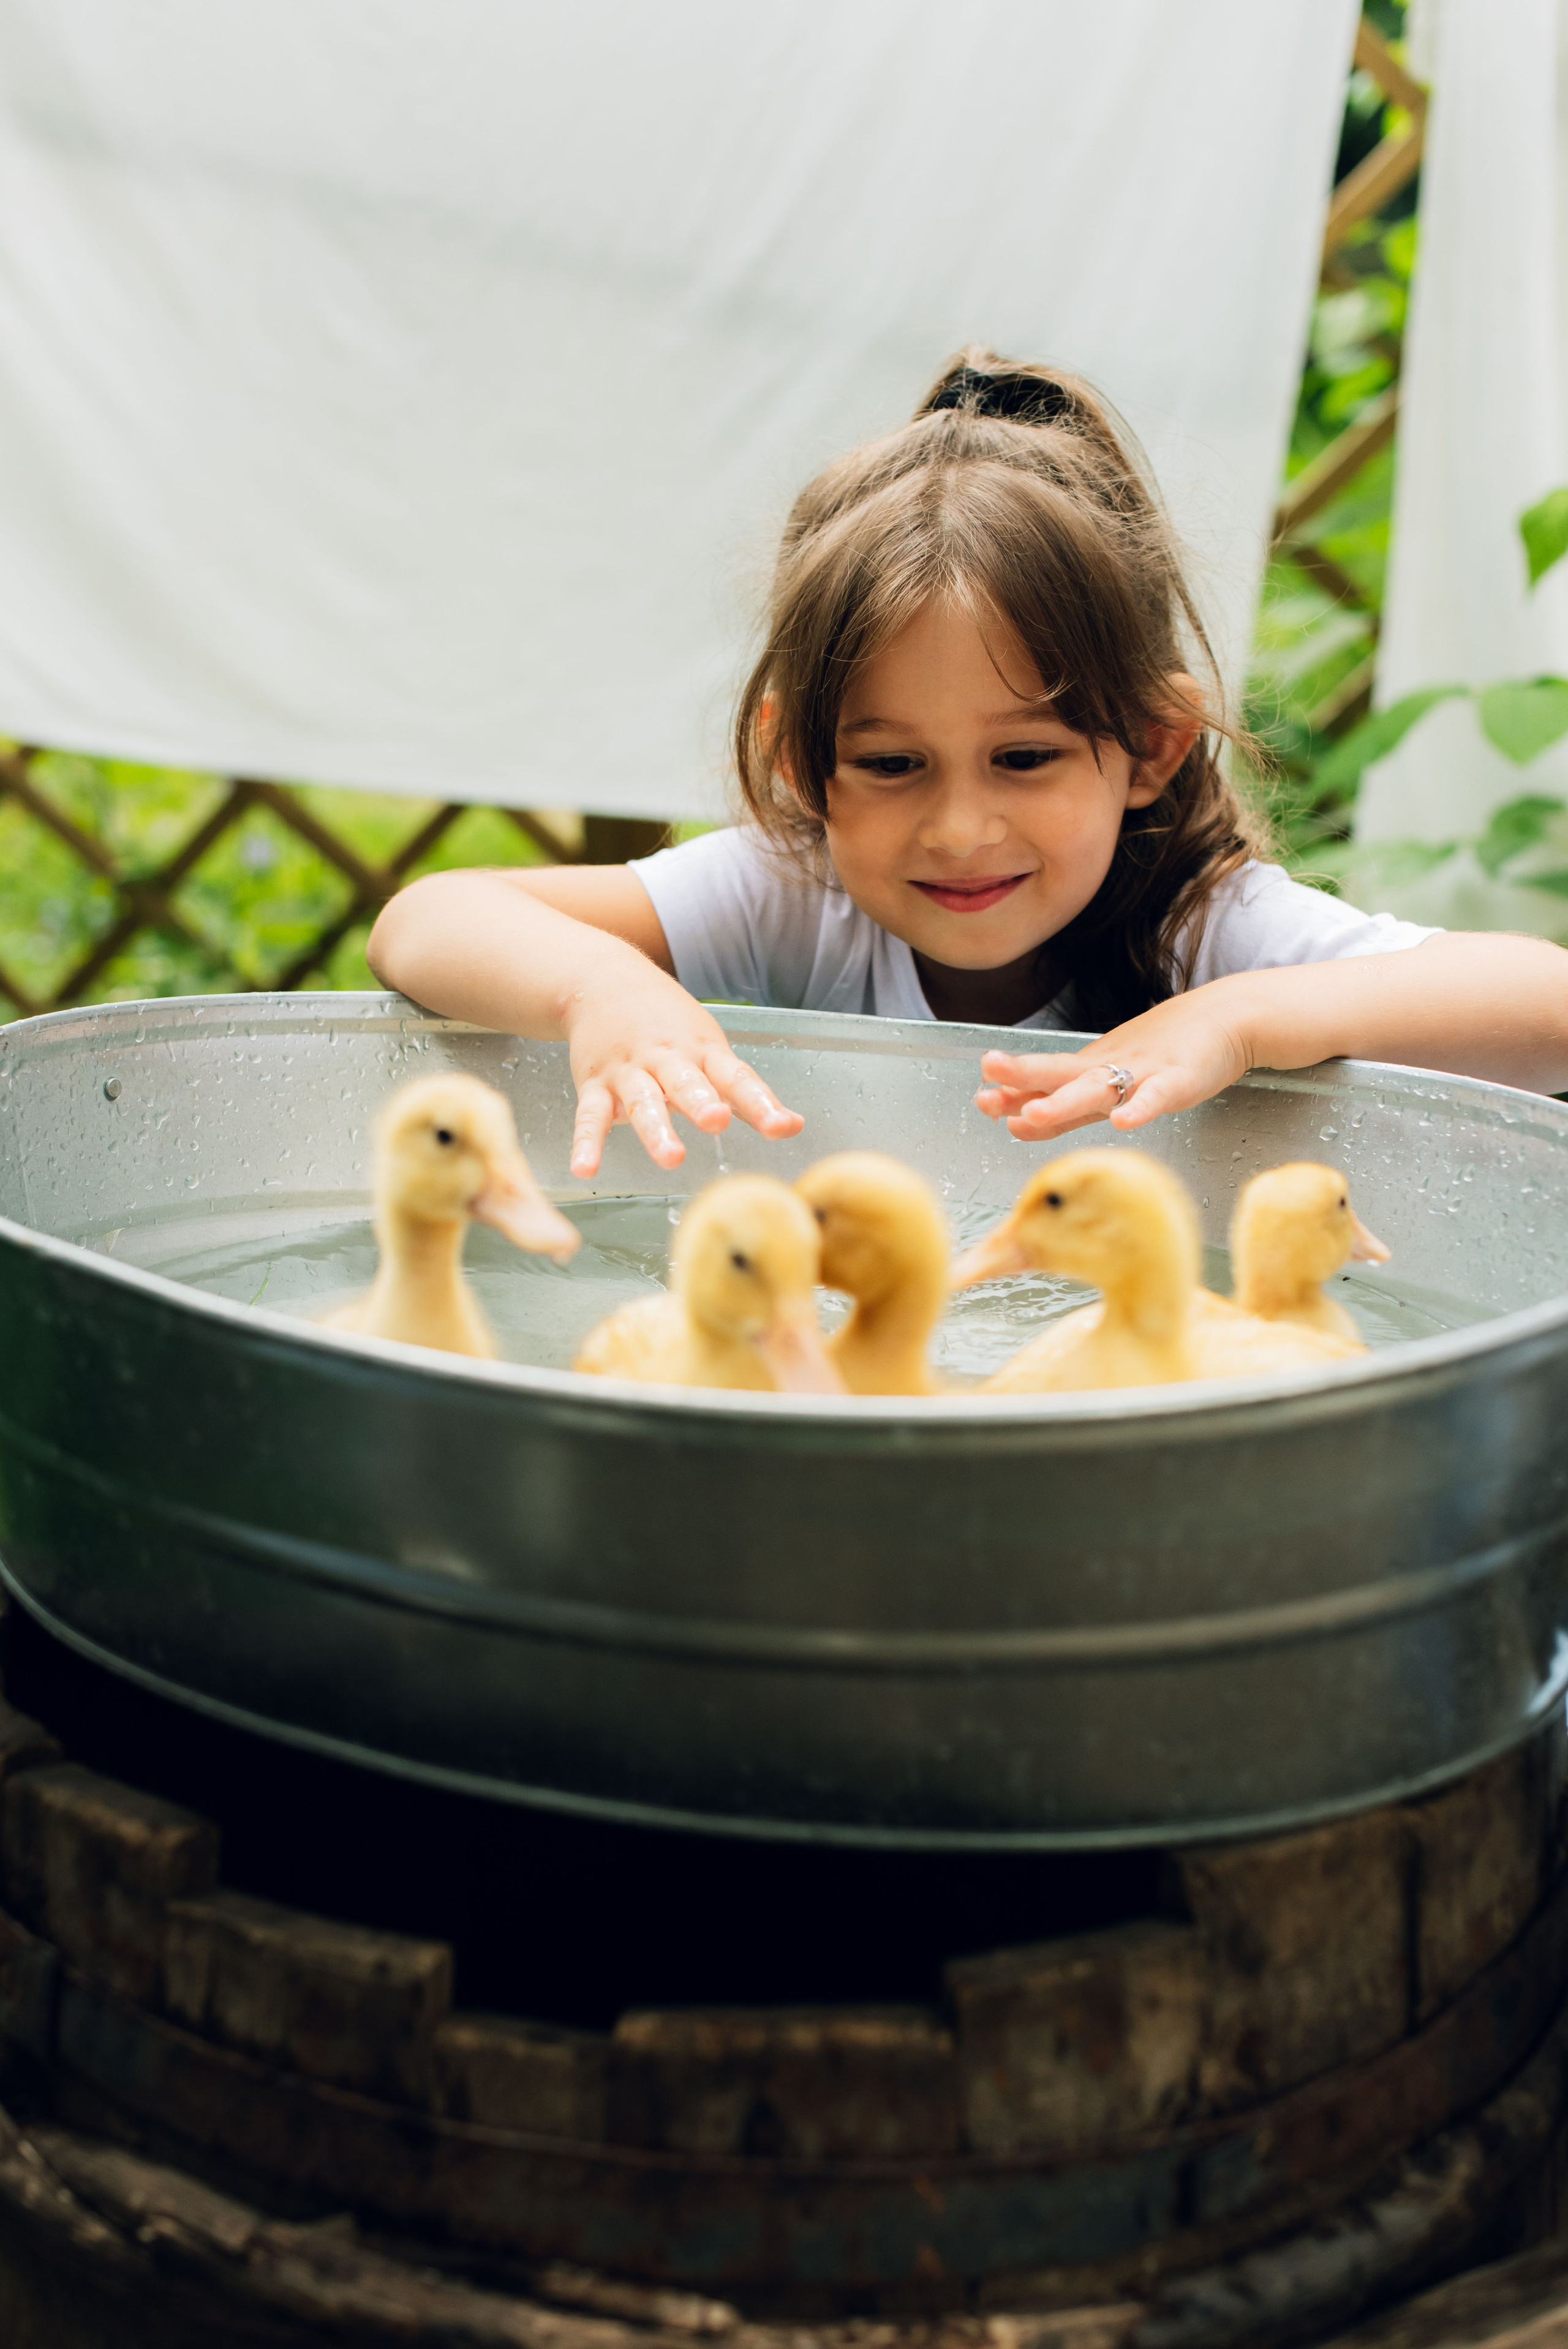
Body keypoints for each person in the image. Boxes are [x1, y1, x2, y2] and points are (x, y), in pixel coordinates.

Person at [369, 349, 1568, 1178]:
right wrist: (602, 990)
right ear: (799, 760)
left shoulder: (1195, 930)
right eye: (890, 764)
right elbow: (428, 919)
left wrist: (1247, 1017)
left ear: (1148, 744)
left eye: (1024, 755)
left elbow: (1545, 1010)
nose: (956, 827)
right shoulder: (803, 894)